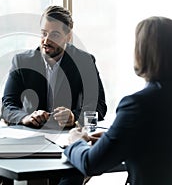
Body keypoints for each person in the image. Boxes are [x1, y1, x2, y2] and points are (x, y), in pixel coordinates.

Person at [64, 16, 172, 185]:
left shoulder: (138, 105)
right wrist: (114, 136)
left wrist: (76, 141)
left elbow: (90, 163)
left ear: (142, 52)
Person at [1, 5, 107, 129]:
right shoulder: (22, 62)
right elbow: (7, 106)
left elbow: (98, 105)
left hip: (67, 135)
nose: (46, 41)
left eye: (54, 35)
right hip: (31, 134)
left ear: (68, 36)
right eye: (43, 34)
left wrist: (74, 116)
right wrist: (26, 118)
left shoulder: (84, 61)